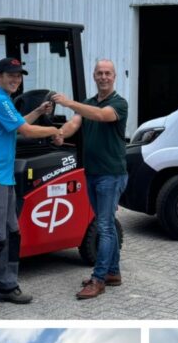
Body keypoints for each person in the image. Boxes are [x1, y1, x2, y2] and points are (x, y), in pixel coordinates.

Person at [0, 57, 61, 317]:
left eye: (18, 75)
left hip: (4, 178)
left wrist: (40, 112)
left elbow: (19, 123)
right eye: (10, 75)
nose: (15, 79)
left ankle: (6, 286)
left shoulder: (4, 100)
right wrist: (54, 131)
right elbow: (28, 131)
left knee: (12, 232)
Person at [49, 59, 129, 300]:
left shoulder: (119, 104)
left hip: (111, 174)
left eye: (107, 73)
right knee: (106, 224)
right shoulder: (87, 103)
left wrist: (67, 102)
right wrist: (61, 133)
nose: (103, 77)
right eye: (99, 73)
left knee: (104, 226)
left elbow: (101, 115)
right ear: (94, 76)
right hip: (92, 173)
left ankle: (99, 279)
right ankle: (113, 272)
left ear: (114, 77)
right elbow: (76, 121)